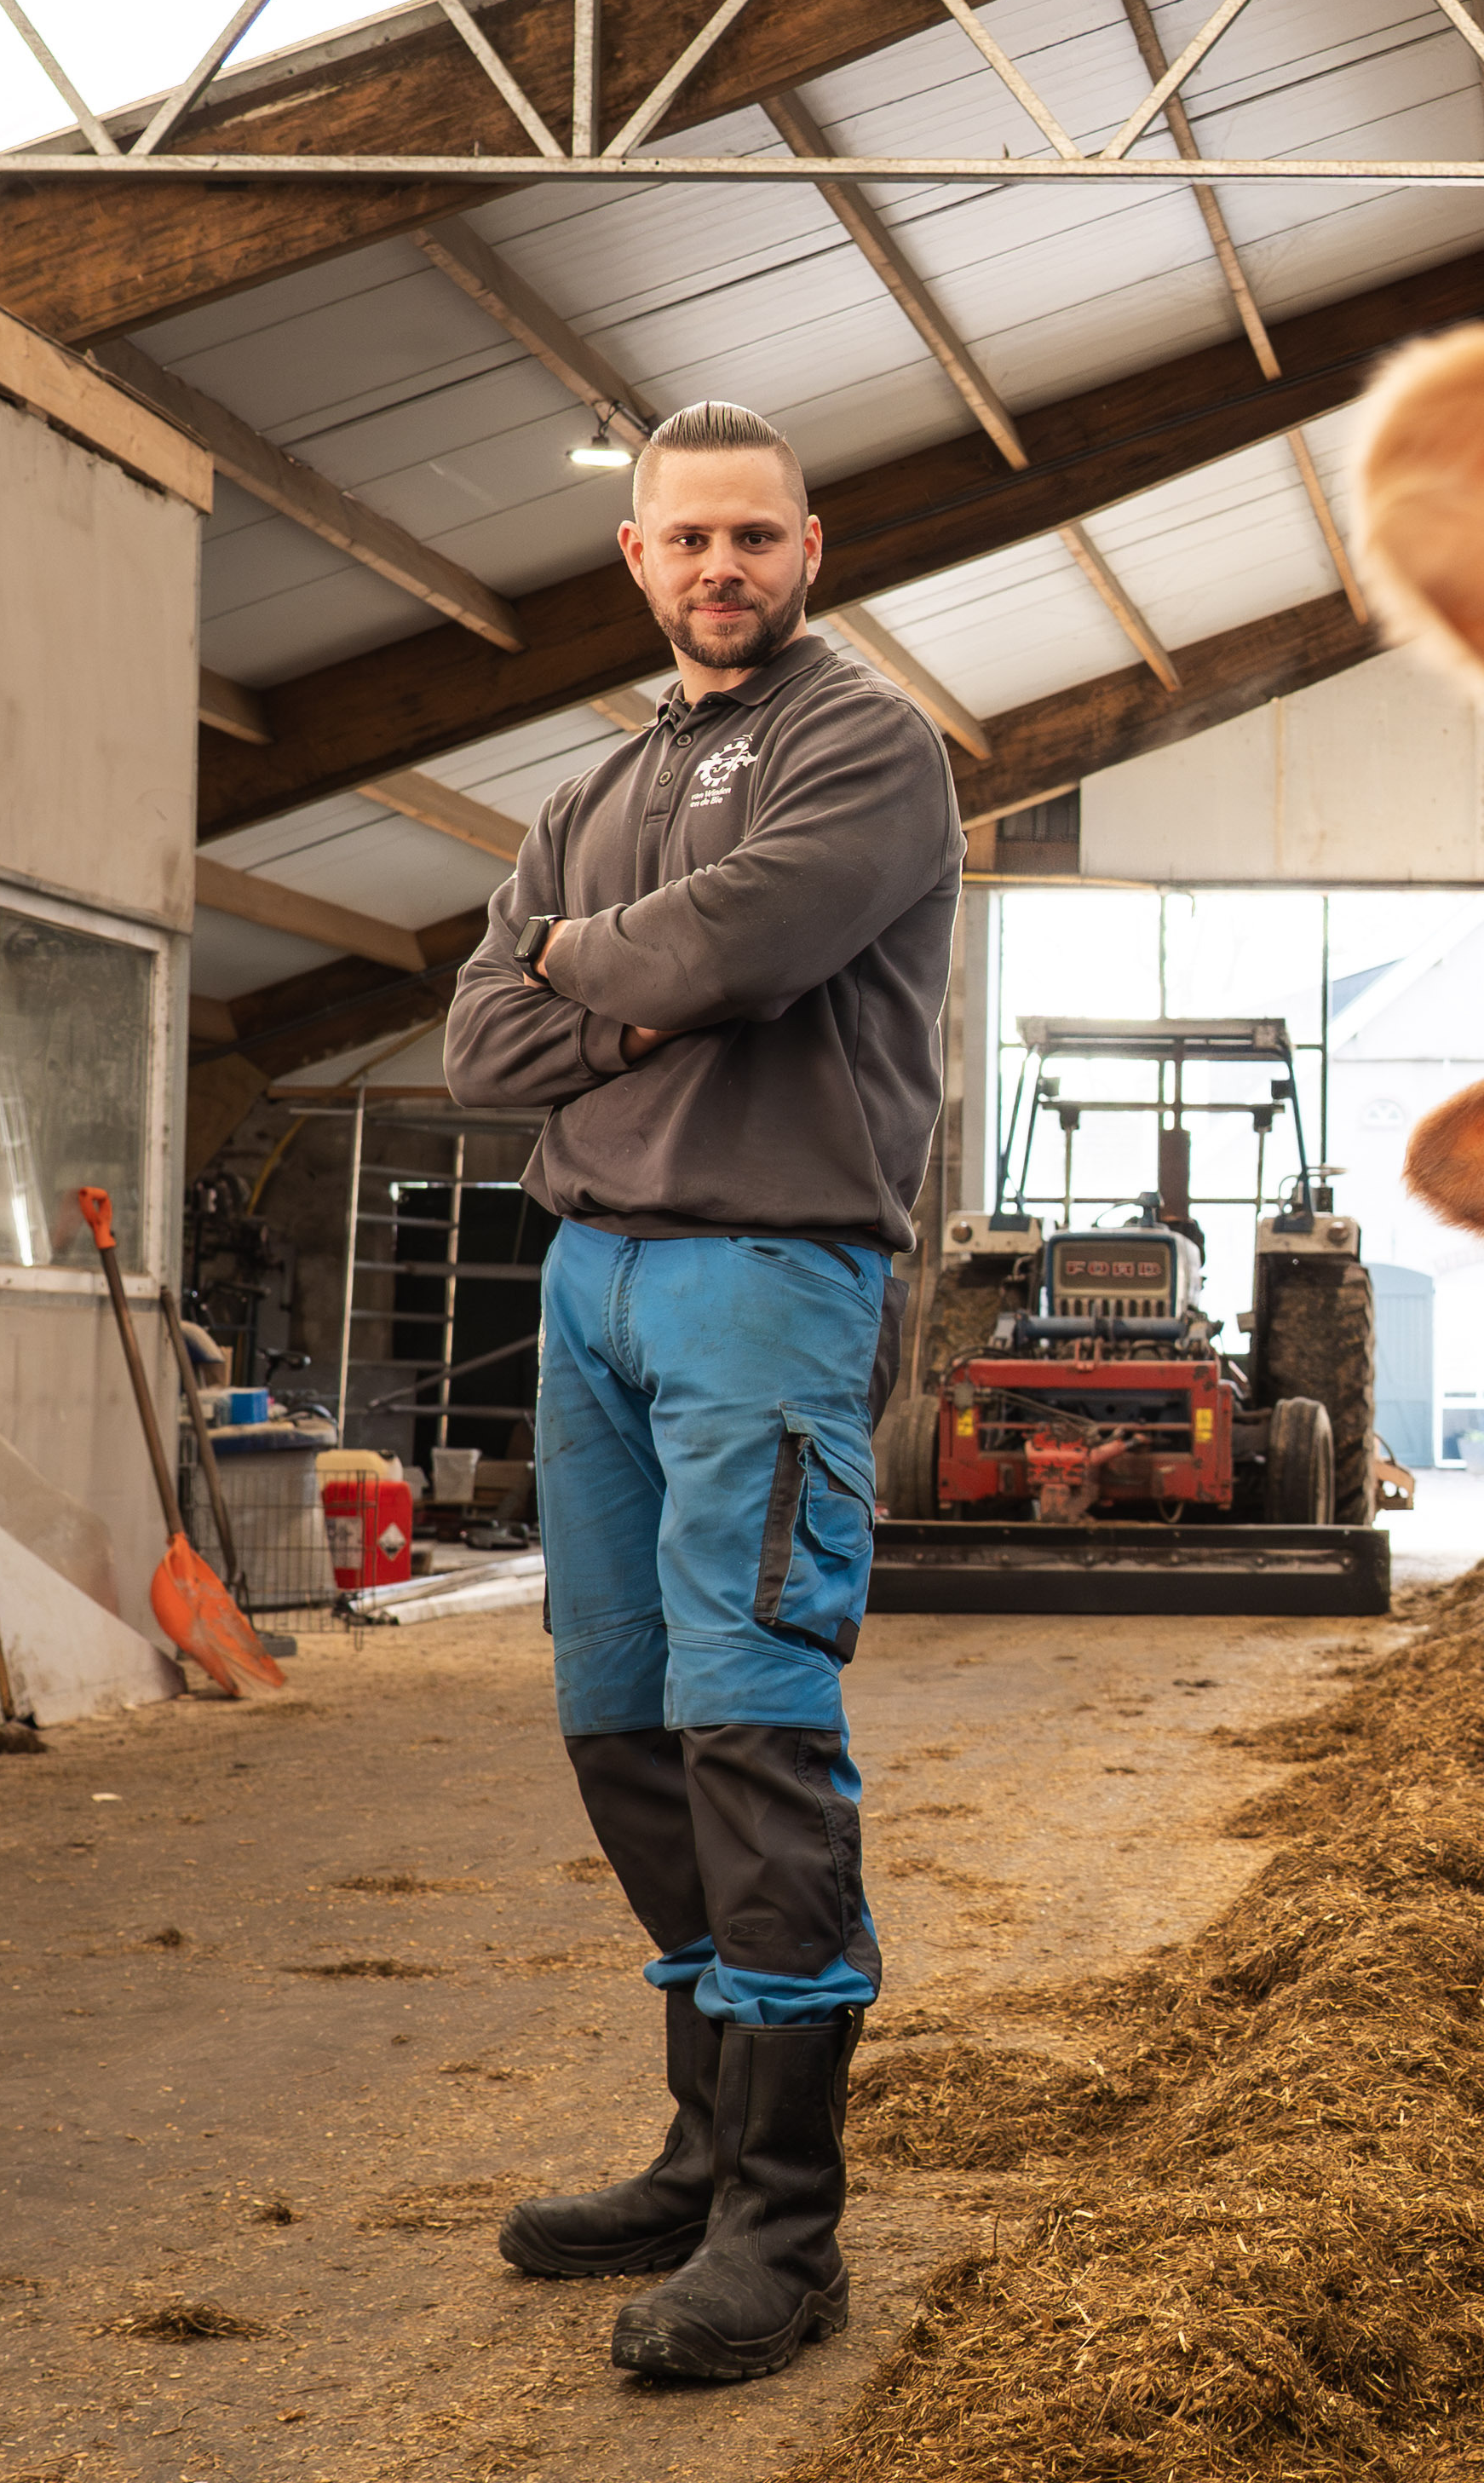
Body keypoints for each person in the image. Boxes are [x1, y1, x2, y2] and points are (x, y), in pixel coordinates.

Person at [442, 400, 959, 2382]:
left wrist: (598, 969)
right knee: (623, 1720)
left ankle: (788, 2228)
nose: (722, 566)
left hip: (768, 1273)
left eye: (757, 535)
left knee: (749, 1719)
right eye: (690, 538)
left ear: (811, 548)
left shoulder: (864, 742)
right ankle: (703, 2149)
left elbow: (742, 946)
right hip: (592, 1278)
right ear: (636, 558)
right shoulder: (591, 788)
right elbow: (479, 1048)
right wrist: (628, 983)